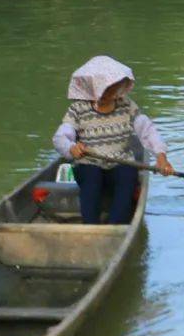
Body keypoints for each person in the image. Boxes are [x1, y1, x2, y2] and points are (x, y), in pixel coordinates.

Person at [52, 55, 174, 225]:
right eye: (105, 88)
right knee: (91, 177)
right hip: (90, 164)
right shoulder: (78, 109)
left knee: (126, 175)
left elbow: (148, 130)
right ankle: (90, 227)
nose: (110, 92)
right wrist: (71, 148)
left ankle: (115, 227)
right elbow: (60, 137)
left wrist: (161, 157)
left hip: (120, 163)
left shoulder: (127, 106)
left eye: (113, 87)